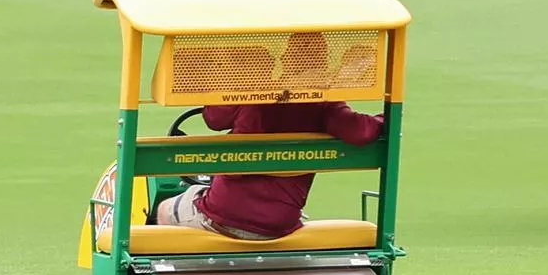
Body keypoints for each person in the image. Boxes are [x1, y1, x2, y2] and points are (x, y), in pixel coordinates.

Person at [156, 35, 385, 239]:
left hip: (225, 213)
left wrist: (233, 81)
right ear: (323, 61)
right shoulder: (325, 104)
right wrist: (386, 118)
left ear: (285, 59)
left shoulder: (254, 92)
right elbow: (361, 131)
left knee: (165, 209)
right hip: (279, 222)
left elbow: (213, 119)